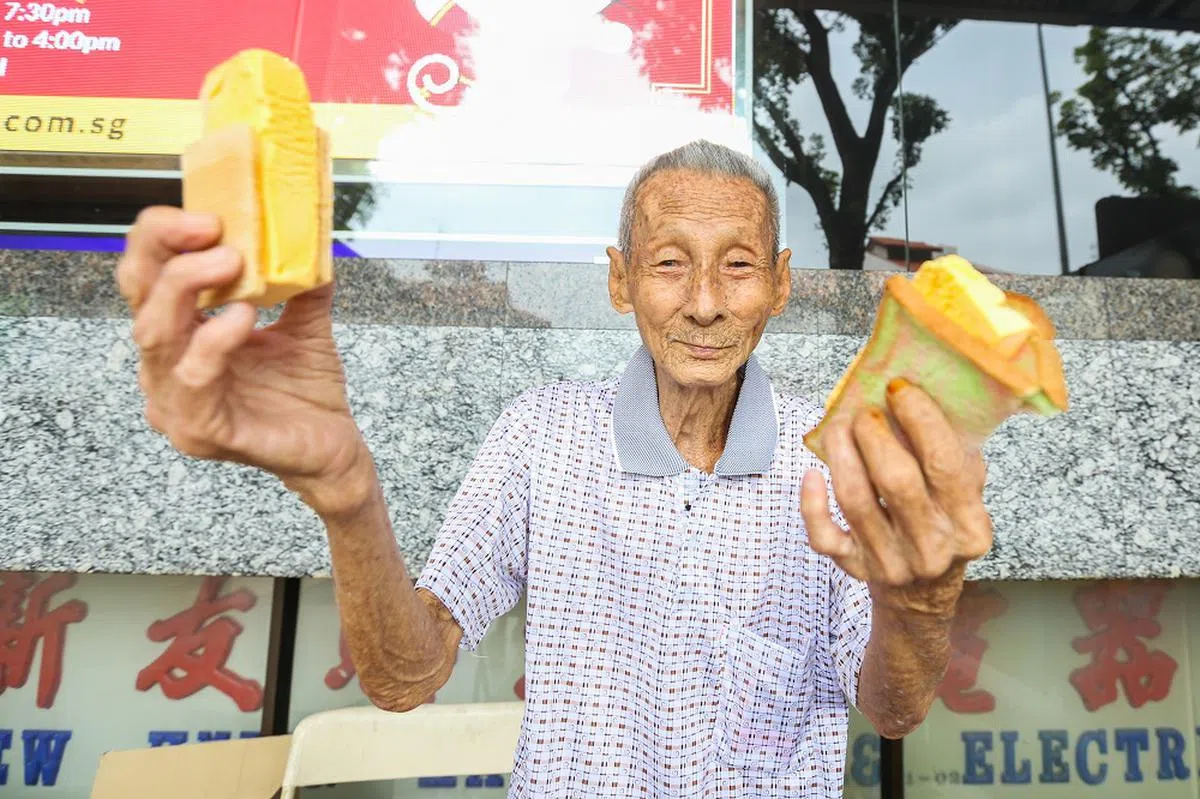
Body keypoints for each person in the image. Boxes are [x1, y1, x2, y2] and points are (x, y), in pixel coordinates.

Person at [117, 139, 992, 797]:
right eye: (668, 263)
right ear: (619, 282)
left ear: (780, 284)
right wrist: (348, 497)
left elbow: (891, 709)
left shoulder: (834, 450)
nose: (703, 302)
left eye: (737, 265)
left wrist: (920, 605)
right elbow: (405, 676)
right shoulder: (543, 433)